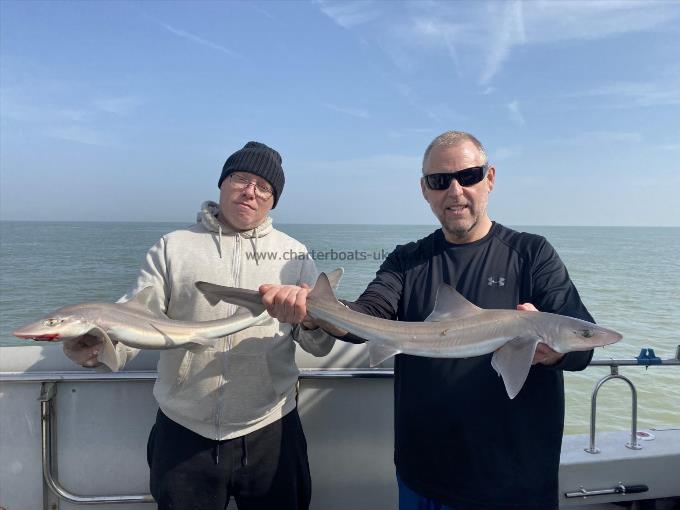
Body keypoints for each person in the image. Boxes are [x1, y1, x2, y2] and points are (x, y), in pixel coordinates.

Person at [260, 131, 595, 510]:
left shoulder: (532, 254)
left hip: (515, 481)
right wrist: (315, 313)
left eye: (468, 176)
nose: (454, 191)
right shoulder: (408, 260)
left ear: (490, 178)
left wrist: (551, 352)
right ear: (424, 190)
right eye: (439, 181)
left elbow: (582, 342)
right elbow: (365, 319)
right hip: (423, 475)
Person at [63, 141, 335, 510]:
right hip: (184, 430)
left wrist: (310, 322)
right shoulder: (173, 247)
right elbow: (136, 320)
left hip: (271, 426)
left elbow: (318, 346)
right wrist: (97, 347)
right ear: (222, 183)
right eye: (241, 178)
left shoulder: (295, 255)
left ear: (273, 200)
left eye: (264, 187)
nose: (250, 191)